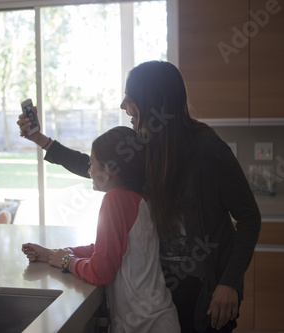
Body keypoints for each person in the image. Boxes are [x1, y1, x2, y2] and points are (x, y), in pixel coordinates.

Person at [17, 60, 261, 332]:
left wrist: (229, 283)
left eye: (130, 98)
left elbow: (249, 219)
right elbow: (98, 168)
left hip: (206, 291)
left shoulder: (209, 151)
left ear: (153, 102)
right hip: (161, 289)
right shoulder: (146, 146)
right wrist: (41, 140)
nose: (123, 106)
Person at [21, 126, 180, 333]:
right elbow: (107, 248)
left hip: (144, 325)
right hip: (156, 320)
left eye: (92, 163)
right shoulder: (139, 197)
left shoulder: (115, 200)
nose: (89, 170)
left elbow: (101, 271)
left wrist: (67, 262)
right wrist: (54, 254)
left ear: (109, 169)